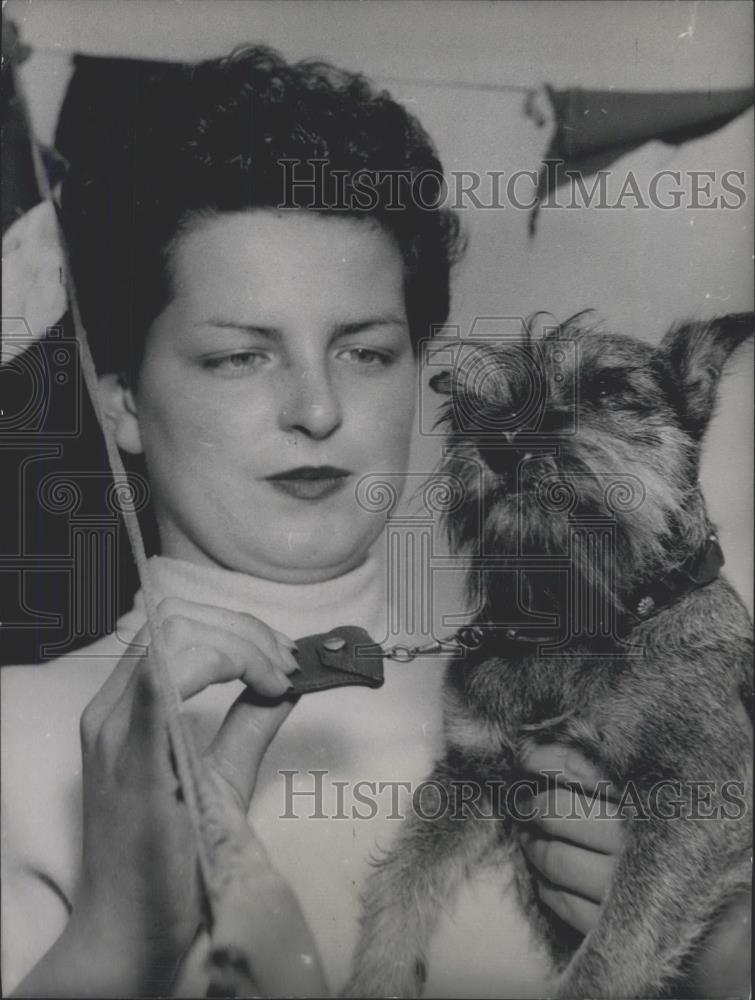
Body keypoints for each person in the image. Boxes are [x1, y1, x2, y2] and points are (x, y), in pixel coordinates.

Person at [1, 45, 749, 998]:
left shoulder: (545, 686)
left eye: (364, 352)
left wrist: (724, 949)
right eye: (238, 357)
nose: (315, 410)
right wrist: (115, 939)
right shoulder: (19, 736)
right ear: (121, 404)